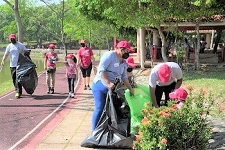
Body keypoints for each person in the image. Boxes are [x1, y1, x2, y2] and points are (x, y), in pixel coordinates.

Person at [91, 40, 134, 131]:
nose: (128, 53)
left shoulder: (123, 61)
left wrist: (130, 88)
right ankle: (94, 131)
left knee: (111, 110)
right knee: (100, 108)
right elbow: (101, 70)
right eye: (127, 51)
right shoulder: (109, 55)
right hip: (100, 86)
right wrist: (108, 83)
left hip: (112, 88)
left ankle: (108, 129)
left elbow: (124, 76)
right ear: (121, 49)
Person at [1, 34, 28, 99]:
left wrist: (26, 56)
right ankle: (17, 90)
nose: (13, 40)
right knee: (14, 78)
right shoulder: (9, 46)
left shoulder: (20, 45)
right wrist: (3, 60)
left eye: (13, 39)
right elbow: (6, 54)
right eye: (11, 39)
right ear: (10, 39)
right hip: (12, 65)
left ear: (16, 38)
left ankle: (18, 92)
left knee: (18, 78)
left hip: (19, 65)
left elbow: (26, 51)